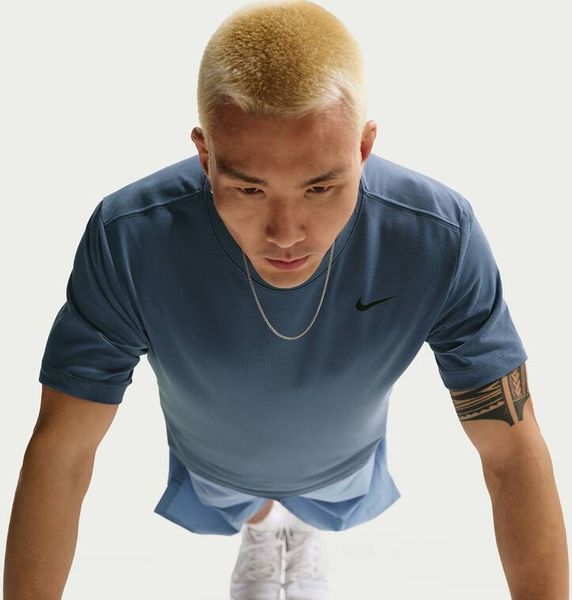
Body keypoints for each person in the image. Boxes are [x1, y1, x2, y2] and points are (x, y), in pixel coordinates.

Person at [4, 1, 568, 600]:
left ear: (364, 148)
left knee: (316, 500)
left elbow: (511, 451)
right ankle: (263, 525)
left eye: (321, 187)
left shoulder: (439, 235)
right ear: (205, 155)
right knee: (247, 503)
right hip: (211, 462)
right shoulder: (129, 237)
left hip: (344, 463)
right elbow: (63, 450)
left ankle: (294, 525)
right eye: (248, 189)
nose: (286, 234)